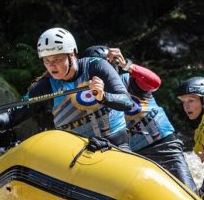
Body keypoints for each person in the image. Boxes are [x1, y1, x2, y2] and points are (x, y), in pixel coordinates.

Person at [0, 28, 134, 146]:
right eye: (47, 61)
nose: (52, 66)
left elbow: (127, 102)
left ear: (72, 54)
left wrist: (103, 96)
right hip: (78, 153)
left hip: (115, 145)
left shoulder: (96, 66)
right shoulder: (45, 87)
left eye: (57, 60)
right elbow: (11, 118)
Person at [80, 45, 197, 191]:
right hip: (135, 154)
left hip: (162, 145)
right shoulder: (86, 95)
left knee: (188, 192)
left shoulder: (128, 80)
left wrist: (126, 65)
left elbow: (155, 82)